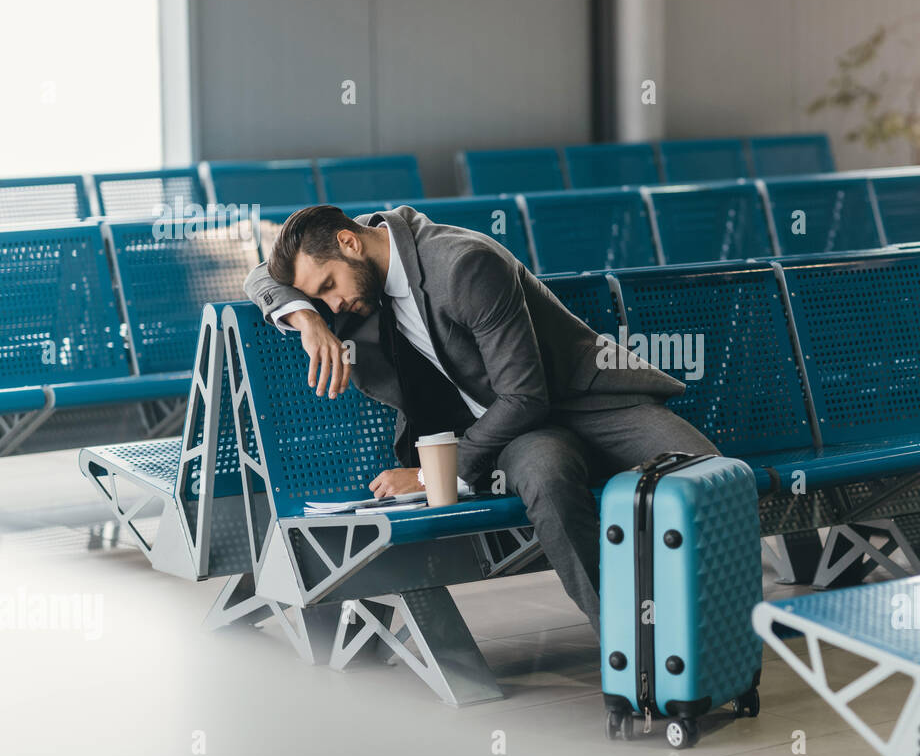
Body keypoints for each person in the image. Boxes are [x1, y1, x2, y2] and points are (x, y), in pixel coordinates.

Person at [245, 204, 719, 633]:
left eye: (328, 287)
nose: (334, 305)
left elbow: (523, 394)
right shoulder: (343, 265)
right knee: (547, 479)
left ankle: (717, 630)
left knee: (709, 474)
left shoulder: (462, 263)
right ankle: (629, 643)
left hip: (586, 401)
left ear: (350, 243)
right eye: (319, 297)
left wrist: (435, 475)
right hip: (516, 433)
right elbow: (259, 279)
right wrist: (307, 320)